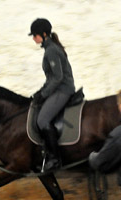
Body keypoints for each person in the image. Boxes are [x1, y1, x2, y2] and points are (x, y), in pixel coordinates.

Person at [29, 18, 76, 172]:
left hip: (63, 89)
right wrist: (40, 92)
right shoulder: (50, 48)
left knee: (42, 120)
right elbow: (50, 79)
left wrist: (43, 94)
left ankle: (55, 158)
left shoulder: (51, 50)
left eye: (35, 35)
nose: (33, 38)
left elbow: (57, 78)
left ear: (43, 34)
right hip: (57, 88)